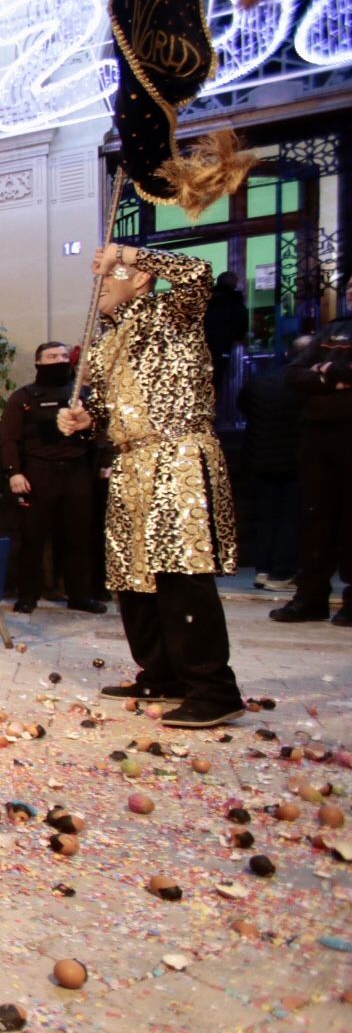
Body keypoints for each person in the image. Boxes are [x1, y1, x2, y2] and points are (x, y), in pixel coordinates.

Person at [57, 243, 246, 727]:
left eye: (107, 276)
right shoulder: (106, 342)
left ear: (138, 278)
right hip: (129, 463)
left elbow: (197, 273)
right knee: (131, 576)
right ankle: (161, 672)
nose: (97, 284)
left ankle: (213, 686)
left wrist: (128, 252)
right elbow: (106, 410)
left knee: (180, 572)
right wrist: (85, 419)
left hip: (175, 455)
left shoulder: (172, 311)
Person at [0, 342, 106, 614]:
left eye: (62, 355)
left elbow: (102, 435)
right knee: (32, 538)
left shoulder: (84, 395)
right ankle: (27, 596)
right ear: (38, 363)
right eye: (51, 356)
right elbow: (8, 438)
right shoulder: (23, 397)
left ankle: (80, 595)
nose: (58, 360)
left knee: (78, 538)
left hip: (78, 473)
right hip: (38, 473)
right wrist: (14, 472)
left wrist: (106, 465)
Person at [269, 315, 352, 624]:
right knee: (315, 520)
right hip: (317, 436)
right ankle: (310, 598)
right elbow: (293, 374)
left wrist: (327, 370)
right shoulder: (332, 330)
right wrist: (335, 379)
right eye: (349, 288)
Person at [237, 346, 303, 592]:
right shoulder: (304, 385)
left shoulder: (259, 382)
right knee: (290, 518)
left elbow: (243, 405)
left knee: (266, 516)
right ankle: (281, 572)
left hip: (260, 456)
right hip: (294, 459)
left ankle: (262, 569)